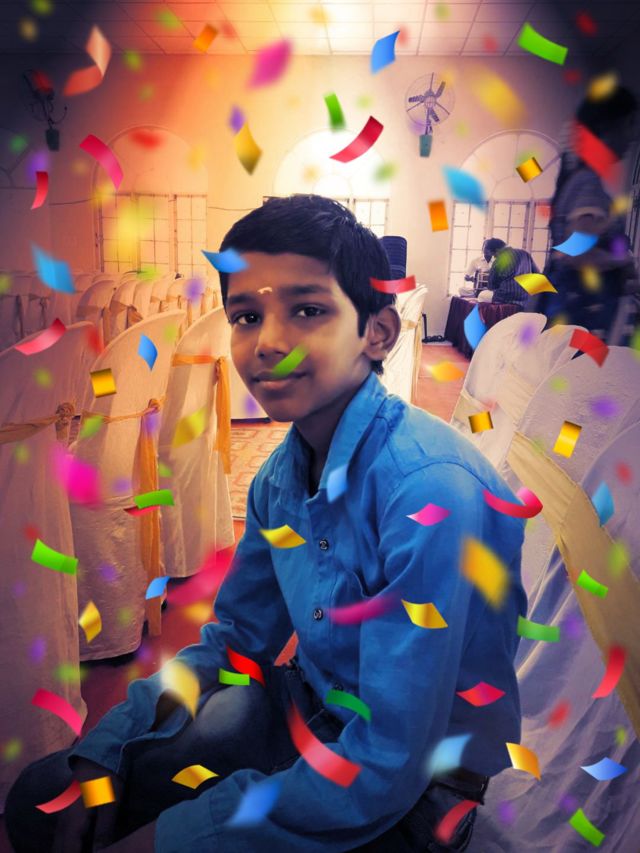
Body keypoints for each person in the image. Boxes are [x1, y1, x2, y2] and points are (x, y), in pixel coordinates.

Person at [6, 195, 527, 853]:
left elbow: (388, 761)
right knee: (47, 796)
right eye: (246, 316)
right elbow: (236, 641)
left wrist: (175, 836)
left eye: (308, 310)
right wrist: (107, 746)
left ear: (378, 333)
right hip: (310, 709)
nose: (269, 342)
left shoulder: (428, 495)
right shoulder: (282, 477)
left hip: (417, 791)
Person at [538, 83, 639, 339]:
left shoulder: (578, 180)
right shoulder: (588, 184)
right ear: (607, 128)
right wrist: (623, 261)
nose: (632, 136)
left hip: (573, 314)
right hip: (584, 319)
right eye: (629, 124)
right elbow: (576, 253)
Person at [478, 241, 538, 307]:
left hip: (507, 297)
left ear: (497, 250)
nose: (494, 257)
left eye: (494, 255)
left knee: (482, 295)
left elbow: (491, 286)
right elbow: (537, 274)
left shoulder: (499, 260)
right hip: (526, 297)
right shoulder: (525, 254)